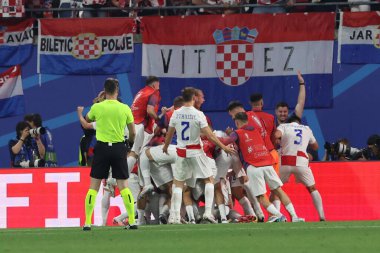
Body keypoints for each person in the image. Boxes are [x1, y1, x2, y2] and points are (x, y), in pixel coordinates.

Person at [162, 87, 235, 224]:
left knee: (178, 184)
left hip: (181, 152)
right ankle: (208, 212)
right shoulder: (198, 114)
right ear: (194, 98)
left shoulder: (175, 114)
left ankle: (175, 216)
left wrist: (165, 147)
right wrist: (224, 146)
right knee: (209, 180)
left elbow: (170, 133)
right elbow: (210, 135)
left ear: (183, 98)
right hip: (196, 152)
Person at [222, 112, 304, 222]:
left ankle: (279, 215)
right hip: (267, 162)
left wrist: (214, 136)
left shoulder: (236, 133)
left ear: (236, 122)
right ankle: (294, 217)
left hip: (253, 166)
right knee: (279, 191)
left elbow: (225, 141)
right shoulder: (256, 130)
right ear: (247, 120)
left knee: (260, 196)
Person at [81, 78, 137, 231]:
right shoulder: (125, 108)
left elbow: (87, 121)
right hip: (119, 148)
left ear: (104, 91)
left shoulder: (97, 107)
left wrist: (96, 104)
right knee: (124, 187)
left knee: (94, 187)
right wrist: (130, 144)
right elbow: (133, 132)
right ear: (117, 91)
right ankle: (132, 221)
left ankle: (87, 222)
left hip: (102, 149)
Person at [274, 114, 325, 221]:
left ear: (289, 121)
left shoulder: (284, 126)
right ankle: (322, 216)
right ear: (299, 122)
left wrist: (280, 140)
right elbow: (316, 146)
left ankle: (277, 216)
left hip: (286, 161)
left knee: (277, 189)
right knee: (312, 188)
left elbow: (276, 135)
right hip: (302, 162)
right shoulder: (306, 128)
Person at [127, 76, 163, 193]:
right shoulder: (154, 92)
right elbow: (150, 110)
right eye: (158, 85)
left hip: (131, 125)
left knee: (138, 154)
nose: (159, 87)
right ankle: (122, 178)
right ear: (154, 85)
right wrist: (159, 119)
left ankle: (144, 183)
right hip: (140, 127)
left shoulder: (141, 92)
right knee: (135, 153)